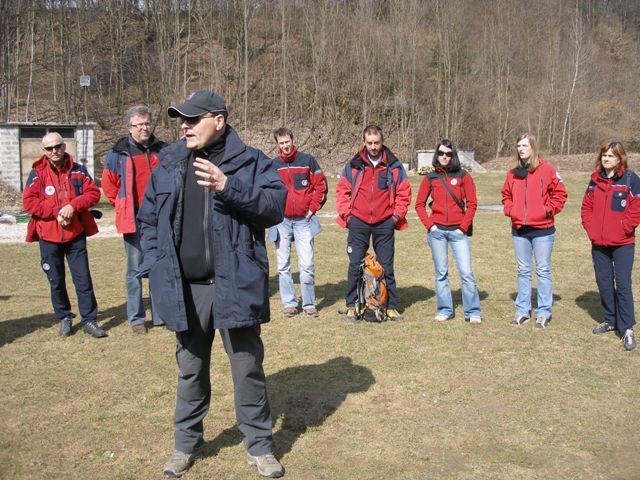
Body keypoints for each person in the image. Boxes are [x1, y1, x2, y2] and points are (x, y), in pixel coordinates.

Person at [137, 91, 286, 478]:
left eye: (192, 119)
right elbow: (149, 220)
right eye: (180, 120)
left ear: (218, 120)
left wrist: (227, 186)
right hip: (187, 288)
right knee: (190, 369)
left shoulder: (251, 161)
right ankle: (185, 444)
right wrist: (154, 264)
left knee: (247, 368)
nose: (183, 126)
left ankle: (260, 447)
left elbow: (274, 208)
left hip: (235, 283)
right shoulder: (169, 162)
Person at [22, 132, 106, 338]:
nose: (54, 151)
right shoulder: (37, 173)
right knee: (56, 280)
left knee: (83, 279)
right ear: (44, 151)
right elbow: (29, 202)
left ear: (64, 146)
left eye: (57, 146)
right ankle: (64, 317)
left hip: (75, 234)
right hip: (48, 236)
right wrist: (57, 211)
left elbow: (93, 193)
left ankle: (89, 320)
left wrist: (73, 206)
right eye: (49, 148)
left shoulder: (78, 170)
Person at [336, 124, 411, 323]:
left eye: (376, 142)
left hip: (385, 222)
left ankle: (390, 306)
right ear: (364, 142)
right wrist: (348, 216)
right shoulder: (353, 165)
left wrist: (395, 217)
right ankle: (352, 305)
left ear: (382, 141)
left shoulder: (394, 165)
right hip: (358, 221)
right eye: (369, 143)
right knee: (355, 266)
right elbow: (342, 191)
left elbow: (404, 192)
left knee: (386, 266)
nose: (373, 146)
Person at [102, 105, 167, 334]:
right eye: (139, 124)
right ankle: (136, 318)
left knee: (161, 267)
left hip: (160, 219)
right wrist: (122, 206)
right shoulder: (118, 152)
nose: (144, 128)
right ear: (130, 127)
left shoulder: (163, 150)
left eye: (147, 123)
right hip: (134, 220)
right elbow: (108, 184)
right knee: (134, 270)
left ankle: (161, 315)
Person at [501, 133, 567, 329]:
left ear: (533, 148)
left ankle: (544, 312)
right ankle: (522, 311)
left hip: (543, 230)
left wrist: (547, 210)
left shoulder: (547, 170)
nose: (521, 149)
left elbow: (560, 194)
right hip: (520, 229)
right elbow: (506, 195)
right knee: (523, 271)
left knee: (543, 270)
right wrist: (510, 210)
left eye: (524, 145)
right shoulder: (513, 172)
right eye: (518, 146)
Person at [415, 140, 482, 324]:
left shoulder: (464, 176)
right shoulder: (430, 178)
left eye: (448, 154)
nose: (444, 157)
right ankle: (445, 309)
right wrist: (430, 226)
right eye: (441, 153)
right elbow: (419, 204)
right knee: (441, 274)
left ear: (453, 156)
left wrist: (463, 227)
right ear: (437, 155)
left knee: (466, 273)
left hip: (458, 233)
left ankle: (473, 311)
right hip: (437, 233)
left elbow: (472, 204)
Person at [581, 142, 640, 351]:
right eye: (604, 155)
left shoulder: (631, 180)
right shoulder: (594, 180)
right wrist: (591, 228)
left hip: (623, 243)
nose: (606, 159)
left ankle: (627, 328)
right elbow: (586, 206)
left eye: (611, 156)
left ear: (619, 158)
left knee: (622, 284)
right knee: (604, 282)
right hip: (599, 243)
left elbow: (636, 208)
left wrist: (625, 227)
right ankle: (610, 319)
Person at [268, 127, 327, 318]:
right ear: (277, 144)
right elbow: (267, 190)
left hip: (304, 221)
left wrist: (313, 208)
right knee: (283, 265)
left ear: (293, 141)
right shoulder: (273, 165)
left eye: (287, 141)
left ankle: (309, 303)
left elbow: (321, 185)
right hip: (282, 221)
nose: (285, 146)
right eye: (281, 143)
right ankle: (290, 304)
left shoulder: (307, 161)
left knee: (307, 264)